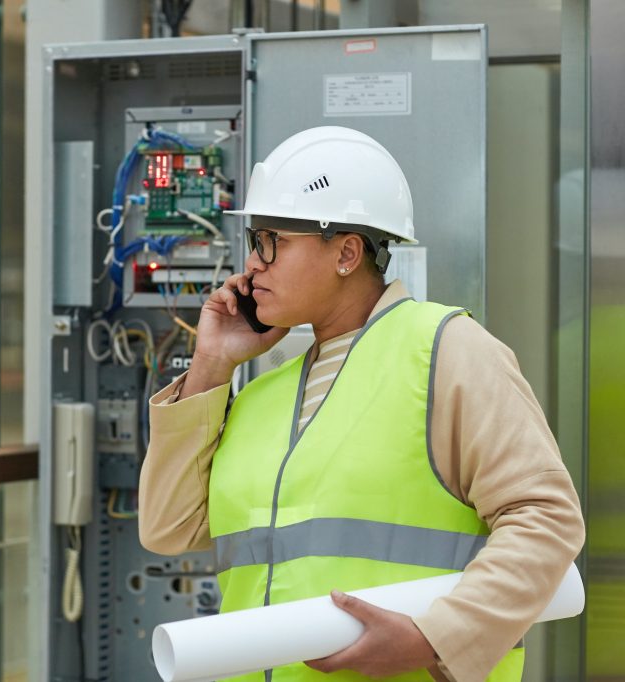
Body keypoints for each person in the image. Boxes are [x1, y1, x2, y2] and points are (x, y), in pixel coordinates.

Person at [138, 126, 584, 681]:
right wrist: (210, 367)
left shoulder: (447, 351)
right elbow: (168, 529)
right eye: (255, 241)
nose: (252, 265)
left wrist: (434, 637)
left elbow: (546, 519)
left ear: (347, 252)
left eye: (271, 241)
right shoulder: (263, 393)